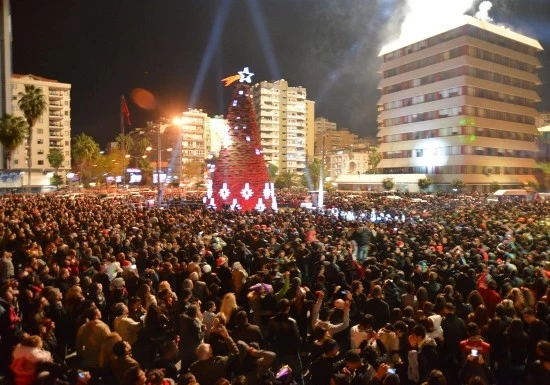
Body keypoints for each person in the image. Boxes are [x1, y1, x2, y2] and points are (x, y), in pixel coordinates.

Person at [268, 298, 303, 384]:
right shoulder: (291, 322)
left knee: (282, 375)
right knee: (297, 374)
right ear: (288, 308)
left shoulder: (272, 320)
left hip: (279, 350)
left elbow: (270, 337)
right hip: (292, 352)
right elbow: (297, 338)